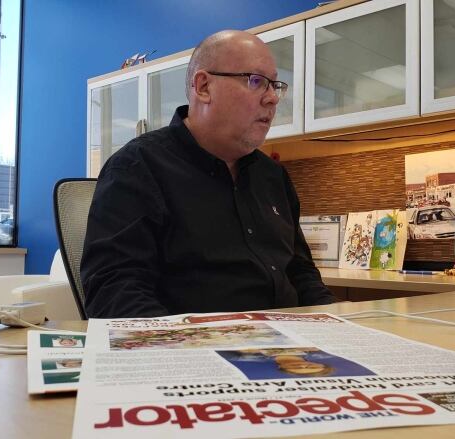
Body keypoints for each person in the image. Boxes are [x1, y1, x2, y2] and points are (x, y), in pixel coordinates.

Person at [81, 30, 335, 318]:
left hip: (291, 348)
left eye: (275, 85)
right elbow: (114, 292)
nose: (272, 98)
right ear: (203, 86)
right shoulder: (137, 168)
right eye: (256, 81)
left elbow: (300, 272)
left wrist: (336, 321)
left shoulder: (273, 177)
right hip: (193, 349)